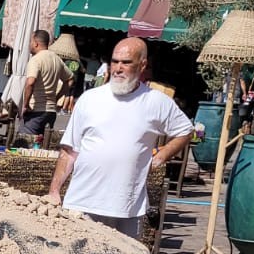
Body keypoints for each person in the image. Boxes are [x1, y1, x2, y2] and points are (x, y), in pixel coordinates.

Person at [47, 37, 193, 239]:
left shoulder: (156, 102)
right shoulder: (90, 99)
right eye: (115, 61)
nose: (118, 68)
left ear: (142, 65)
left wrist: (161, 155)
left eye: (126, 62)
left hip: (126, 207)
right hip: (82, 202)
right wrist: (54, 190)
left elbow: (185, 130)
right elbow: (69, 151)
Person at [21, 29, 70, 139]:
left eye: (30, 42)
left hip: (36, 111)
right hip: (51, 112)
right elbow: (70, 79)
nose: (29, 45)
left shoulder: (36, 60)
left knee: (23, 143)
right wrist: (56, 97)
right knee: (42, 146)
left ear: (35, 43)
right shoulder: (56, 59)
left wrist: (25, 104)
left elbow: (30, 83)